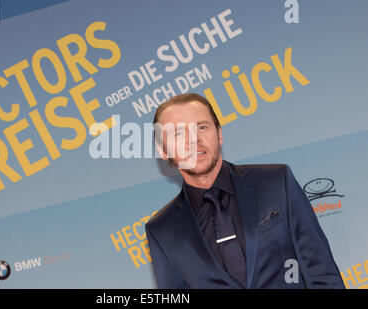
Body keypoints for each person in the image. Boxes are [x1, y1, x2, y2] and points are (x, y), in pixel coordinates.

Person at [145, 93, 344, 289]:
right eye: (178, 134)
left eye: (202, 127)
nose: (194, 140)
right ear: (163, 151)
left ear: (219, 134)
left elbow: (322, 272)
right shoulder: (162, 230)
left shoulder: (276, 182)